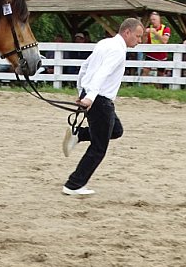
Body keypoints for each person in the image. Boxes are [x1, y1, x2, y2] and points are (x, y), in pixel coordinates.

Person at [61, 17, 144, 196]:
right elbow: (102, 73)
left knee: (116, 130)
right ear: (127, 32)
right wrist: (89, 97)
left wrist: (82, 91)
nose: (139, 41)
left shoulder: (104, 43)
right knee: (99, 147)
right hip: (100, 100)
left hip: (94, 96)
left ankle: (79, 134)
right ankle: (74, 184)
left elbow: (85, 67)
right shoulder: (117, 51)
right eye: (137, 36)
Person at [141, 12, 171, 81]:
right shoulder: (148, 28)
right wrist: (145, 34)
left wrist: (155, 33)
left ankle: (159, 90)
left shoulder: (166, 29)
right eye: (151, 20)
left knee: (160, 75)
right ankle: (142, 87)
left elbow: (164, 41)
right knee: (145, 71)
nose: (152, 21)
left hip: (162, 55)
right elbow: (144, 42)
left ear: (159, 19)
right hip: (151, 54)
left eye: (154, 20)